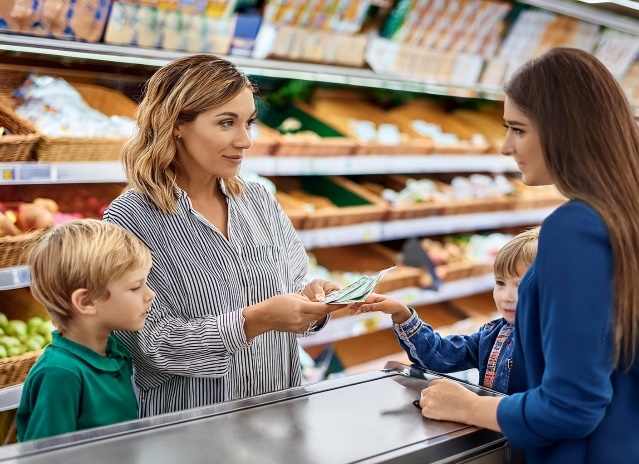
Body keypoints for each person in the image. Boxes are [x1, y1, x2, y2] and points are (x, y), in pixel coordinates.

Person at [414, 47, 639, 464]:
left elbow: (571, 406)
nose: (505, 146)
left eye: (518, 129)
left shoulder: (576, 228)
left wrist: (468, 406)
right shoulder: (626, 215)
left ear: (564, 129)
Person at [103, 54, 342, 418]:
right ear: (177, 124)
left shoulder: (258, 201)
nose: (245, 140)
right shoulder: (130, 219)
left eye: (249, 123)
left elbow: (295, 284)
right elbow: (150, 345)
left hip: (279, 415)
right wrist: (253, 321)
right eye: (227, 123)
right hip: (194, 430)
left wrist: (313, 301)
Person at [352, 228, 539, 394]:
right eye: (500, 283)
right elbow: (441, 356)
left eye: (521, 286)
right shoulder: (492, 335)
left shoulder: (557, 345)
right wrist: (403, 315)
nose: (507, 296)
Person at [17, 220, 155, 441]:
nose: (150, 295)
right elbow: (46, 457)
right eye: (135, 287)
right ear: (87, 301)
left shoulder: (115, 351)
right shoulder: (60, 374)